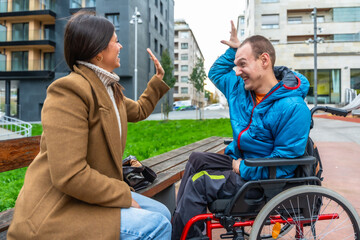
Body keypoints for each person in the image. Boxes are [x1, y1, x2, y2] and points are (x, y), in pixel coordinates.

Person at [7, 11, 171, 240]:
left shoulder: (109, 91)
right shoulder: (69, 91)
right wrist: (123, 195)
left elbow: (140, 110)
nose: (121, 46)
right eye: (115, 41)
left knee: (162, 211)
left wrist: (157, 80)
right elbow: (70, 175)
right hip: (59, 208)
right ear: (98, 52)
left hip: (87, 195)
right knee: (156, 226)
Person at [171, 21, 311, 239]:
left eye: (242, 64)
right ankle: (181, 227)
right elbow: (216, 72)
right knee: (197, 159)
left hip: (262, 178)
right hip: (243, 161)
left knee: (200, 183)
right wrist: (235, 50)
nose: (237, 72)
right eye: (236, 65)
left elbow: (283, 165)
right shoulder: (240, 89)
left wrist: (242, 168)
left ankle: (185, 233)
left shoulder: (293, 107)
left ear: (264, 60)